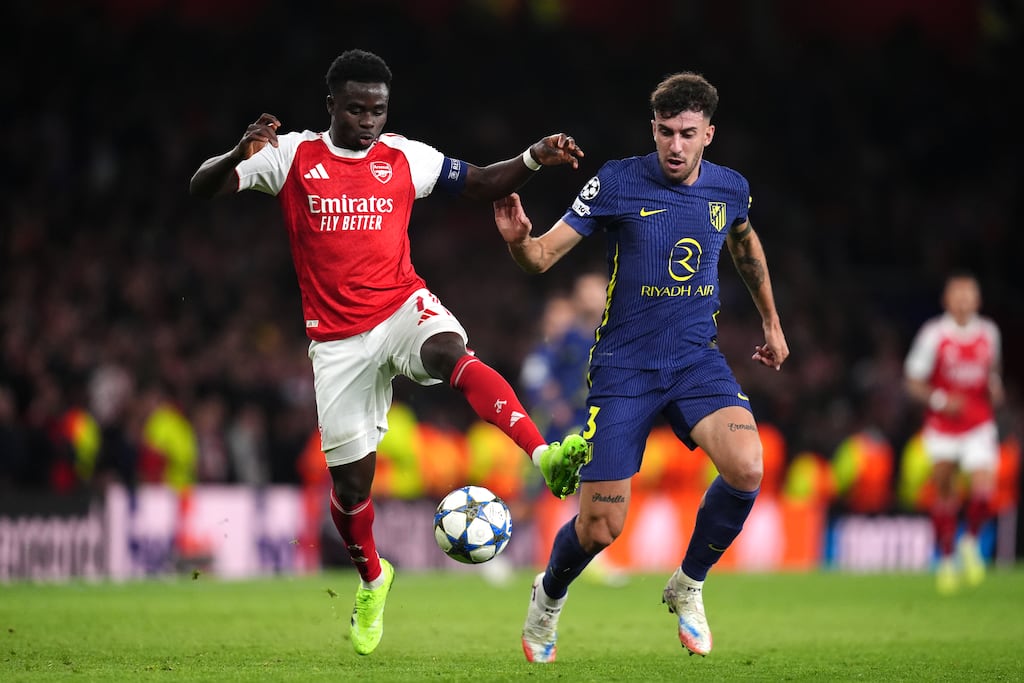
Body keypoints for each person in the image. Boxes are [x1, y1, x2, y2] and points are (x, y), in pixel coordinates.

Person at [189, 48, 592, 656]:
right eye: (355, 109)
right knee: (352, 489)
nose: (368, 120)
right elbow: (203, 188)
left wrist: (535, 156)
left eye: (377, 109)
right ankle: (375, 581)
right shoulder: (292, 154)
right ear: (331, 105)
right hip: (337, 341)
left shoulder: (403, 156)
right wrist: (236, 153)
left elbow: (482, 181)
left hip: (401, 306)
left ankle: (545, 455)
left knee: (450, 349)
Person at [493, 71, 789, 661]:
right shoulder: (617, 182)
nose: (674, 146)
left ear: (709, 133)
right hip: (624, 370)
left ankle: (688, 585)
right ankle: (548, 597)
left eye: (686, 133)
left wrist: (772, 323)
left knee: (748, 467)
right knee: (602, 529)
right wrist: (518, 242)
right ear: (651, 130)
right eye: (663, 132)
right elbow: (542, 256)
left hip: (694, 362)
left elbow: (745, 242)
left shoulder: (729, 189)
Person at [904, 271, 1004, 594]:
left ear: (978, 299)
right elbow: (913, 381)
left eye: (969, 294)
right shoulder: (934, 334)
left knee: (984, 489)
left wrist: (995, 387)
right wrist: (940, 400)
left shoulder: (989, 332)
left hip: (978, 423)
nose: (963, 300)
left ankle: (971, 542)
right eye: (957, 294)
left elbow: (992, 373)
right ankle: (946, 559)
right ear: (947, 300)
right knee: (945, 490)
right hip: (943, 426)